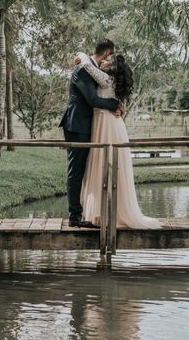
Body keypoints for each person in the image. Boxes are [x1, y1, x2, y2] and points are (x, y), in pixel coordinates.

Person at [76, 51, 160, 229]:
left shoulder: (107, 79)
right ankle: (100, 212)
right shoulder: (111, 81)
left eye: (107, 60)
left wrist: (82, 54)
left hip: (108, 126)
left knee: (106, 165)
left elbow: (87, 65)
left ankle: (108, 213)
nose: (103, 61)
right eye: (104, 58)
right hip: (106, 123)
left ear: (113, 67)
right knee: (100, 165)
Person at [59, 39, 121, 228]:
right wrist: (115, 104)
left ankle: (83, 210)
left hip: (86, 125)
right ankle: (74, 216)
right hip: (77, 124)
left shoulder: (90, 67)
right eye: (111, 55)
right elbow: (92, 99)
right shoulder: (83, 70)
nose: (111, 59)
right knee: (76, 170)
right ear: (107, 53)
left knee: (83, 169)